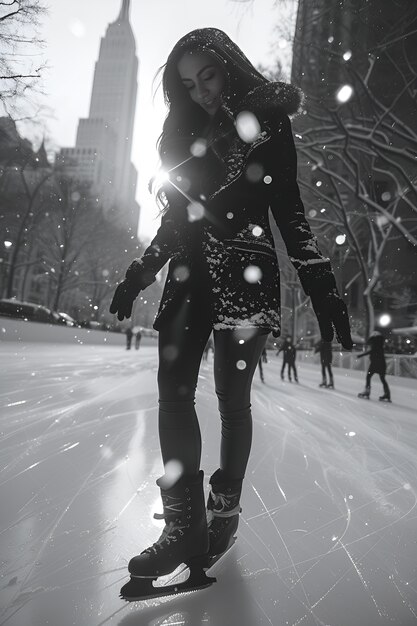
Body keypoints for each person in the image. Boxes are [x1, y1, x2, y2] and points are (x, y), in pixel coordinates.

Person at [109, 28, 352, 600]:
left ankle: (225, 507)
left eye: (208, 77)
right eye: (188, 85)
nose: (201, 92)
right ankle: (180, 526)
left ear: (228, 67)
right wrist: (141, 272)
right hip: (189, 274)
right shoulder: (181, 132)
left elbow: (288, 210)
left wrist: (321, 286)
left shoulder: (266, 120)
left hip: (245, 274)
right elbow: (177, 219)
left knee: (231, 398)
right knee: (171, 391)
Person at [357, 331, 391, 401]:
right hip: (382, 364)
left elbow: (372, 351)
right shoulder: (380, 344)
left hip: (375, 364)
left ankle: (367, 392)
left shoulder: (375, 344)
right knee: (383, 379)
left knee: (368, 377)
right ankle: (387, 394)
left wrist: (361, 355)